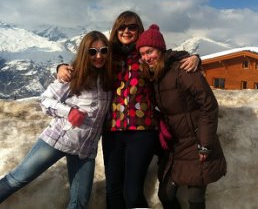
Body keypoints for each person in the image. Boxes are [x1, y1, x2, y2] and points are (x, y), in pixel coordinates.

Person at [57, 11, 200, 209]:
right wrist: (61, 66)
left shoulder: (146, 54)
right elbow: (84, 62)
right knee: (113, 191)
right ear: (116, 30)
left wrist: (194, 57)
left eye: (132, 27)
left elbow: (170, 56)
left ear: (139, 30)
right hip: (112, 132)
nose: (126, 31)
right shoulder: (107, 55)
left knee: (132, 194)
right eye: (122, 27)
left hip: (143, 132)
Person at [0, 31, 113, 209]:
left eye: (103, 51)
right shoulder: (73, 75)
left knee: (80, 202)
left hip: (85, 151)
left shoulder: (108, 80)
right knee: (18, 178)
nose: (99, 56)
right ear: (85, 53)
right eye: (93, 52)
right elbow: (45, 100)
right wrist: (68, 112)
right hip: (57, 140)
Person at [136, 24, 227, 209]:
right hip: (176, 146)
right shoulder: (155, 75)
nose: (146, 57)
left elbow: (208, 105)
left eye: (150, 51)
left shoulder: (183, 70)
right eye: (143, 53)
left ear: (160, 49)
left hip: (197, 142)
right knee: (166, 195)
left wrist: (205, 143)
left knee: (195, 198)